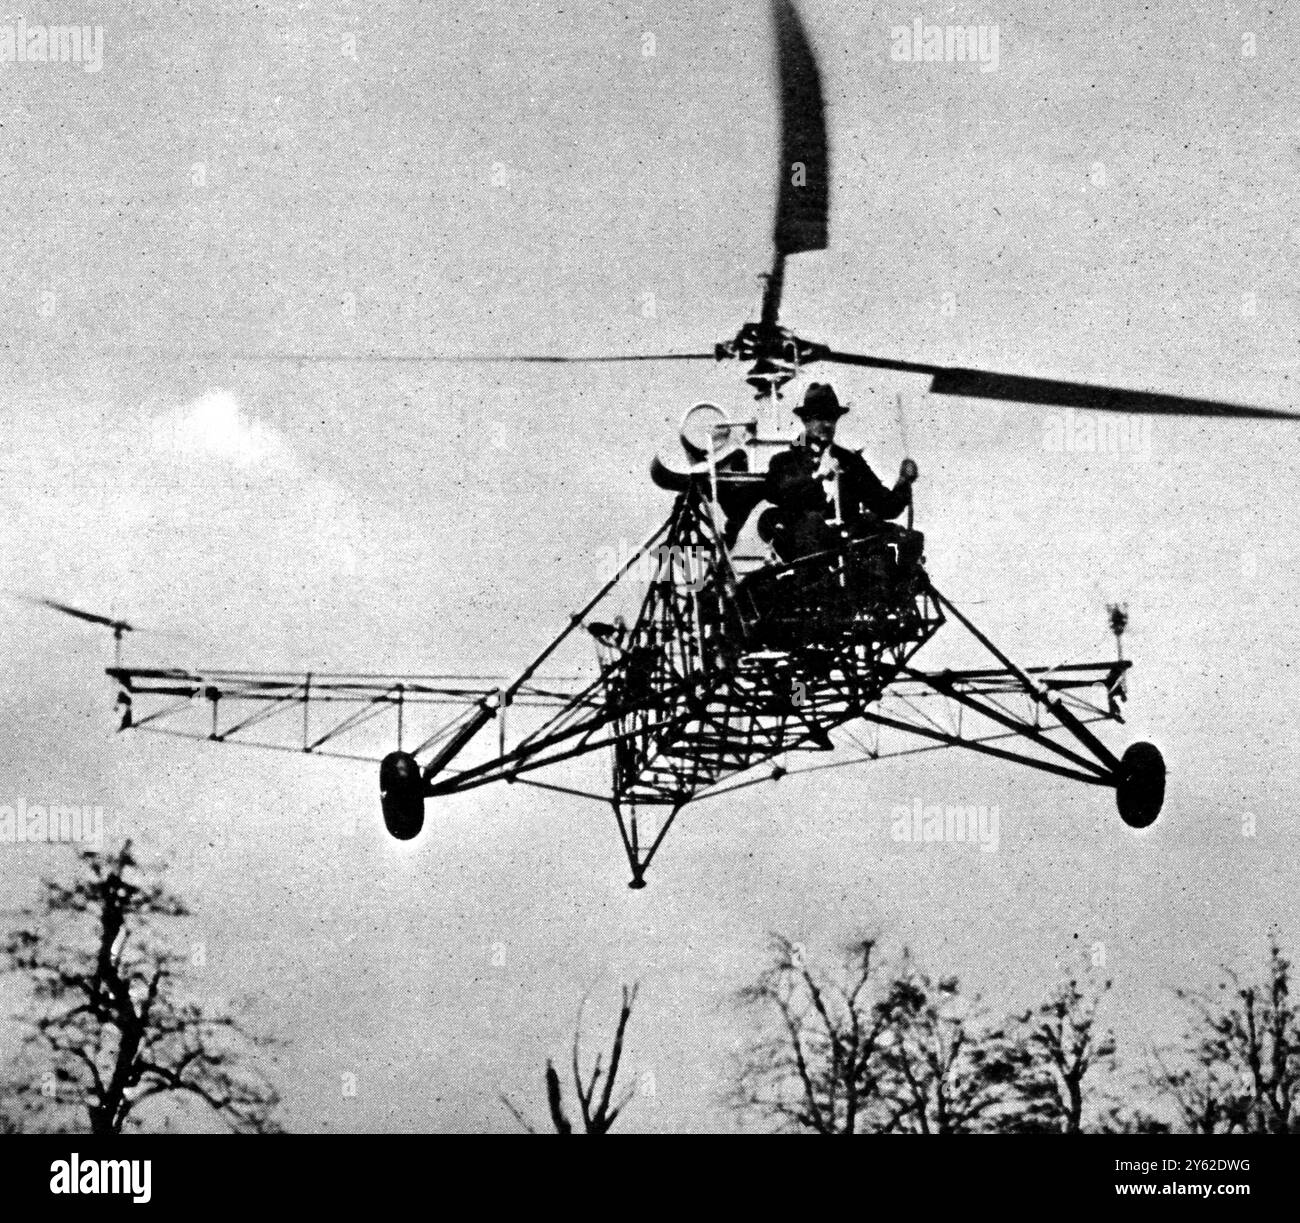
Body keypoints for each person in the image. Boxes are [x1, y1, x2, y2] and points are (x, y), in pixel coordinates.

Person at [758, 382, 917, 561]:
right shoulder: (785, 460)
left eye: (832, 418)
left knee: (906, 541)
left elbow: (885, 506)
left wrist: (904, 481)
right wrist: (817, 477)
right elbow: (777, 492)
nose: (827, 424)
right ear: (806, 420)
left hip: (849, 553)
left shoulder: (850, 461)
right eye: (820, 417)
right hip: (809, 556)